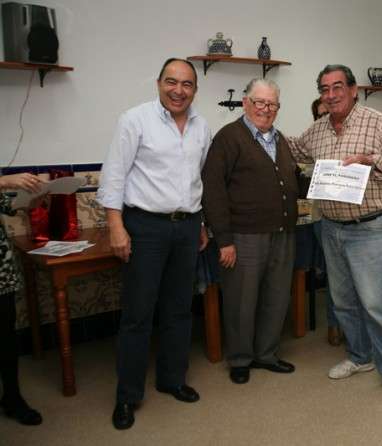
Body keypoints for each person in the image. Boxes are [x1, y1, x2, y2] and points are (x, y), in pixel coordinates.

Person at [289, 64, 382, 404]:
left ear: (352, 89)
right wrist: (263, 125)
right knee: (343, 301)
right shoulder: (317, 130)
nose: (331, 95)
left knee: (374, 304)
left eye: (337, 87)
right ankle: (360, 357)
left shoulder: (376, 122)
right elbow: (295, 149)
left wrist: (372, 160)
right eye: (325, 89)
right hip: (331, 228)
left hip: (369, 228)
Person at [97, 58, 211, 430]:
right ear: (159, 83)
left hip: (187, 226)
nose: (179, 90)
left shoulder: (201, 126)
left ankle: (172, 379)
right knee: (138, 315)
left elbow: (197, 179)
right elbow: (114, 175)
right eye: (171, 82)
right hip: (145, 227)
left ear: (195, 89)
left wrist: (201, 223)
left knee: (179, 309)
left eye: (187, 84)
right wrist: (116, 226)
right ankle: (127, 396)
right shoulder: (135, 120)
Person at [201, 78, 297, 385]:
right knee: (241, 300)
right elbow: (213, 190)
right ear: (245, 103)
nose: (266, 109)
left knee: (276, 297)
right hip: (244, 236)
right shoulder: (228, 138)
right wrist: (224, 240)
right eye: (260, 102)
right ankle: (240, 359)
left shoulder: (281, 139)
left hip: (283, 233)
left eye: (272, 104)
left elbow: (291, 180)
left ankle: (266, 354)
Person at [0, 173, 44, 426]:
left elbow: (9, 207)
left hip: (1, 267)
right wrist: (4, 181)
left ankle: (12, 397)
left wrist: (32, 201)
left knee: (5, 333)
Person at [308, 98, 342, 346]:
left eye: (328, 113)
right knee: (335, 272)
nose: (325, 118)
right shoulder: (314, 139)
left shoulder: (351, 137)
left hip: (352, 218)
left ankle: (355, 325)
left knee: (352, 275)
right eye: (320, 115)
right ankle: (334, 323)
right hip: (322, 216)